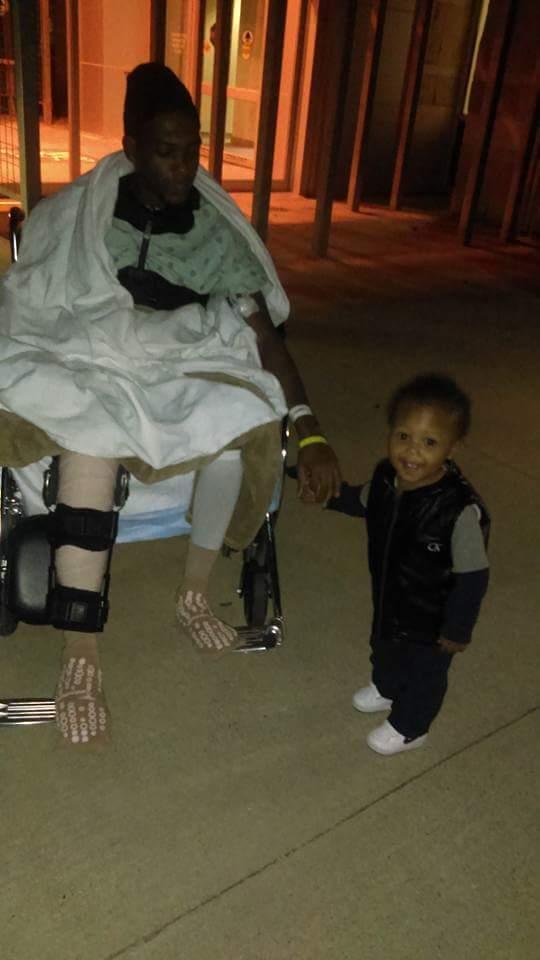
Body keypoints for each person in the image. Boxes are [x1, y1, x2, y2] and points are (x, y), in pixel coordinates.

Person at [0, 63, 340, 748]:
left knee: (237, 420)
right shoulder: (80, 213)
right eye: (166, 150)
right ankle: (80, 650)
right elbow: (34, 293)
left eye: (193, 150)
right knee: (89, 434)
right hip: (91, 351)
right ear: (131, 146)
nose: (184, 167)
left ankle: (193, 593)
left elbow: (263, 337)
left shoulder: (215, 232)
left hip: (178, 354)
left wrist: (307, 429)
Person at [327, 374, 489, 755]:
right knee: (385, 647)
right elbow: (363, 500)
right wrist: (329, 495)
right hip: (391, 596)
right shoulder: (387, 479)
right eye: (403, 436)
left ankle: (412, 726)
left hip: (434, 619)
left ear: (452, 448)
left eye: (430, 442)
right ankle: (387, 687)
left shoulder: (457, 510)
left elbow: (473, 576)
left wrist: (457, 628)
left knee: (424, 673)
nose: (412, 451)